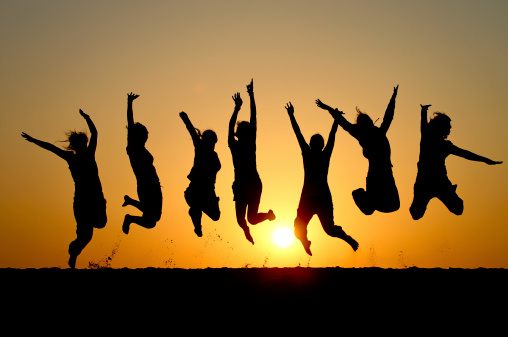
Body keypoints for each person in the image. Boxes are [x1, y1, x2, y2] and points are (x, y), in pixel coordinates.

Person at [21, 109, 107, 269]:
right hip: (81, 201)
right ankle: (73, 254)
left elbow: (95, 133)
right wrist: (33, 140)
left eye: (84, 143)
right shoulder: (71, 157)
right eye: (79, 144)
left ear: (85, 143)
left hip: (96, 198)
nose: (83, 146)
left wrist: (87, 118)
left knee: (101, 224)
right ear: (75, 146)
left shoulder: (90, 153)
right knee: (85, 236)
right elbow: (50, 148)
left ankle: (74, 248)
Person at [286, 102, 358, 256]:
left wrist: (336, 120)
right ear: (311, 144)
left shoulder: (324, 155)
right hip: (308, 197)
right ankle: (305, 241)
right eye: (313, 143)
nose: (314, 145)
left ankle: (348, 239)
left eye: (317, 143)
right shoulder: (307, 152)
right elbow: (298, 134)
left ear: (320, 145)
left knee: (329, 230)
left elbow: (332, 137)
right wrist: (291, 116)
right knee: (299, 228)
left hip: (322, 197)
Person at [316, 85, 400, 215]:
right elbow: (388, 117)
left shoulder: (370, 133)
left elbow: (342, 121)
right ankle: (362, 196)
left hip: (381, 174)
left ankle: (367, 199)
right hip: (379, 174)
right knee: (386, 207)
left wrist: (393, 98)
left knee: (391, 206)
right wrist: (393, 98)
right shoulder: (373, 133)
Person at [410, 104, 502, 220]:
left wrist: (485, 160)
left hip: (440, 182)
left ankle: (450, 192)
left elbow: (466, 154)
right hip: (424, 183)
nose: (450, 129)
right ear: (441, 128)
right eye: (448, 126)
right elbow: (423, 124)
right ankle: (447, 192)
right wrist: (423, 111)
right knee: (416, 215)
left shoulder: (446, 145)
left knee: (458, 209)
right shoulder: (427, 138)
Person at [228, 79, 275, 244]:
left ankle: (268, 216)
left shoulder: (250, 143)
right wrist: (236, 109)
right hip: (241, 185)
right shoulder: (233, 145)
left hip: (253, 183)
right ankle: (246, 230)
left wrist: (251, 95)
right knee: (242, 221)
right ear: (238, 133)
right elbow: (230, 127)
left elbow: (254, 117)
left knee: (252, 219)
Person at [122, 92, 162, 234]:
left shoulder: (143, 149)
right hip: (145, 186)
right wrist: (129, 103)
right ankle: (129, 217)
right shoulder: (132, 149)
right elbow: (130, 123)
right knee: (151, 220)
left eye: (147, 135)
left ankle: (130, 205)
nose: (146, 137)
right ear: (137, 136)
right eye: (144, 135)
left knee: (154, 218)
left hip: (155, 184)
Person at [180, 111, 221, 237]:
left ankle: (197, 209)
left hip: (209, 191)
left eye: (214, 142)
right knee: (196, 206)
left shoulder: (215, 155)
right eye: (210, 141)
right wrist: (185, 118)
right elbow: (192, 132)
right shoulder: (200, 148)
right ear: (206, 141)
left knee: (216, 216)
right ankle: (197, 223)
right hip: (195, 190)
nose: (212, 145)